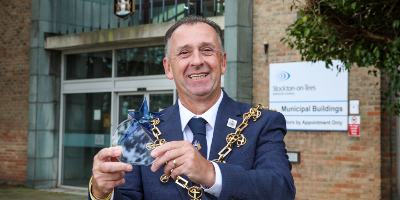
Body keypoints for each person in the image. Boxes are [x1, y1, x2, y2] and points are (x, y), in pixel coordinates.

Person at [89, 15, 296, 200]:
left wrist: (210, 173)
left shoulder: (261, 123)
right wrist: (101, 193)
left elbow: (282, 190)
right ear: (168, 68)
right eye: (184, 52)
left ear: (222, 62)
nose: (197, 61)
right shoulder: (141, 131)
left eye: (207, 50)